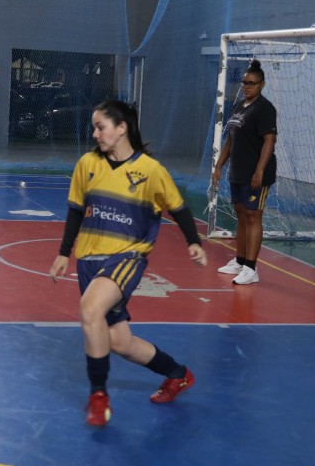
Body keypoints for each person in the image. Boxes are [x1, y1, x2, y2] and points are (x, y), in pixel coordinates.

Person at [48, 100, 207, 427]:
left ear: (121, 128)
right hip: (89, 259)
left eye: (100, 127)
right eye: (94, 127)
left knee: (90, 309)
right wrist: (64, 252)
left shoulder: (151, 170)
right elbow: (76, 210)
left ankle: (98, 396)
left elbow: (178, 208)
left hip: (127, 256)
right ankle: (178, 374)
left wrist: (194, 242)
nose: (95, 134)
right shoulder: (87, 164)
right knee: (120, 342)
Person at [212, 59, 277, 285]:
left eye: (251, 83)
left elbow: (269, 141)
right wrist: (219, 165)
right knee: (240, 213)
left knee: (253, 215)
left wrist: (259, 171)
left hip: (256, 174)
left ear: (262, 84)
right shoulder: (239, 106)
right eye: (244, 83)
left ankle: (251, 268)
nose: (247, 87)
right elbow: (231, 139)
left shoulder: (265, 109)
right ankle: (240, 261)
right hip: (238, 172)